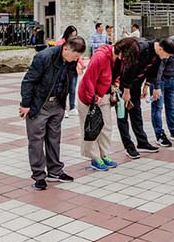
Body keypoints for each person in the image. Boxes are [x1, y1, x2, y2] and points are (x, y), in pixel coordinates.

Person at [19, 36, 86, 190]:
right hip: (40, 104)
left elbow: (67, 81)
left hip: (57, 104)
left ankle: (55, 171)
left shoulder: (70, 60)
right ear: (66, 49)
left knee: (54, 139)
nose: (76, 60)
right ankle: (39, 176)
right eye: (75, 56)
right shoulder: (44, 57)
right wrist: (25, 104)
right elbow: (28, 81)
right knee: (36, 141)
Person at [77, 37, 141, 171]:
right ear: (121, 51)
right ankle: (95, 158)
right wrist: (93, 99)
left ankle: (103, 154)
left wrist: (115, 86)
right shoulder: (100, 57)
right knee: (92, 129)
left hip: (104, 96)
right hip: (89, 97)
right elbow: (88, 79)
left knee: (106, 127)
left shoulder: (119, 60)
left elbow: (116, 76)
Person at [118, 37, 174, 158]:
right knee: (122, 115)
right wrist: (126, 91)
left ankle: (142, 143)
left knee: (136, 113)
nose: (168, 57)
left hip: (136, 83)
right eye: (168, 55)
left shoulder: (157, 54)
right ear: (161, 48)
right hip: (122, 83)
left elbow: (153, 70)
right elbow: (128, 69)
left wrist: (147, 85)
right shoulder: (140, 48)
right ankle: (128, 146)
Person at [57, 25, 82, 117]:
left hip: (73, 68)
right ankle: (63, 108)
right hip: (64, 68)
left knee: (72, 88)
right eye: (72, 35)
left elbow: (78, 55)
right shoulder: (61, 43)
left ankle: (72, 107)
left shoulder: (76, 43)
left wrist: (80, 64)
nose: (73, 37)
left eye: (75, 35)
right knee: (63, 88)